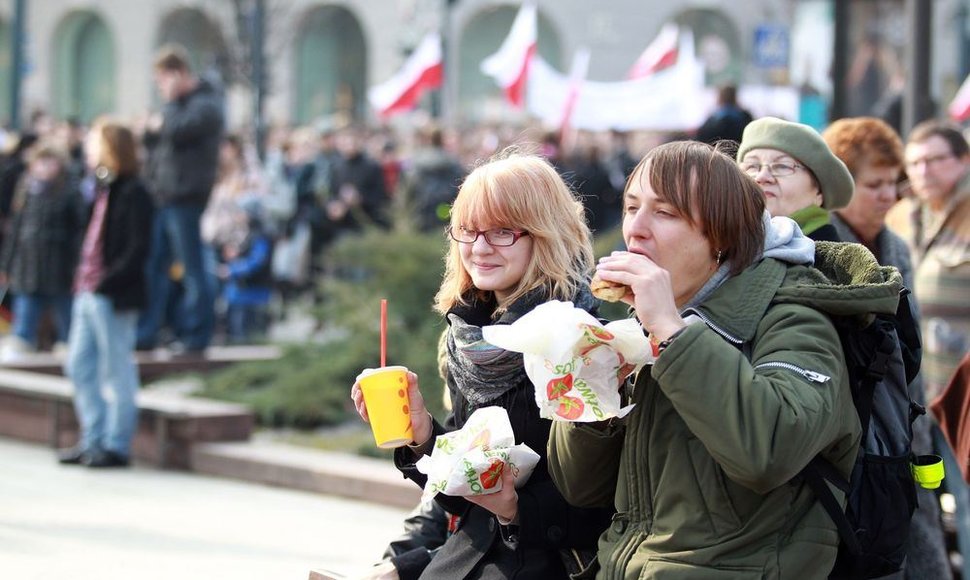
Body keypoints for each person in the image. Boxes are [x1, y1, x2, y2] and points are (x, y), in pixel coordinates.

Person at [546, 140, 887, 578]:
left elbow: (767, 453)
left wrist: (672, 331)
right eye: (632, 208)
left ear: (722, 237)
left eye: (665, 213)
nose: (636, 230)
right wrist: (594, 390)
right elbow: (581, 486)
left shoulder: (796, 317)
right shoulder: (650, 324)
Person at [351, 152, 612, 579]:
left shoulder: (583, 342)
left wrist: (515, 509)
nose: (480, 248)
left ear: (546, 234)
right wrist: (421, 436)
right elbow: (465, 496)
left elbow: (608, 501)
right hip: (469, 561)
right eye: (468, 231)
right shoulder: (467, 337)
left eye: (502, 232)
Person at [822, 116, 952, 580]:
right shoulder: (824, 246)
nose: (888, 195)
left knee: (920, 534)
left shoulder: (895, 244)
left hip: (907, 425)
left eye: (893, 184)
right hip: (855, 439)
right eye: (874, 184)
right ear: (840, 184)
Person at [886, 119, 970, 574]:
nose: (924, 170)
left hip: (964, 396)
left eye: (936, 159)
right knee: (924, 503)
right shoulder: (901, 216)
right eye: (914, 161)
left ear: (963, 160)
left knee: (967, 501)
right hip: (917, 398)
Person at [57, 119, 154, 468]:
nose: (88, 149)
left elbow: (137, 248)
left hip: (112, 293)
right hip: (86, 289)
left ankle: (116, 445)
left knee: (116, 369)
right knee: (79, 365)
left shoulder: (135, 191)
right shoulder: (98, 187)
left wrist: (106, 283)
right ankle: (92, 438)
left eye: (95, 143)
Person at [137, 43, 224, 353]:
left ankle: (196, 336)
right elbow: (155, 141)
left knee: (192, 269)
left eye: (163, 80)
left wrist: (163, 120)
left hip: (186, 198)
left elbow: (177, 131)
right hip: (163, 197)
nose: (160, 88)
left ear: (178, 74)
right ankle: (147, 332)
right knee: (154, 268)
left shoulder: (206, 104)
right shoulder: (175, 106)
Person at [0, 143, 85, 359]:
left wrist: (77, 265)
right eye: (41, 161)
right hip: (28, 265)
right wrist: (6, 265)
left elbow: (79, 230)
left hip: (60, 265)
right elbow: (16, 231)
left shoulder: (70, 190)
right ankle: (22, 343)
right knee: (25, 312)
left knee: (65, 313)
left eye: (50, 161)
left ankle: (67, 345)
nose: (45, 167)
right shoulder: (27, 189)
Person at [738, 116, 855, 241]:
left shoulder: (835, 258)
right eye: (752, 166)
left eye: (782, 166)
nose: (762, 177)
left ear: (819, 193)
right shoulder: (723, 249)